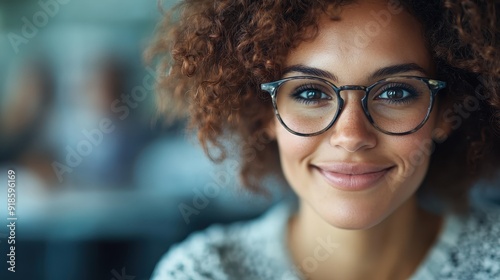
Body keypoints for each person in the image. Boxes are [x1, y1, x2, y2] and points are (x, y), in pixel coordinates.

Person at [146, 0, 500, 279]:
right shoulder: (204, 273)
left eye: (395, 92)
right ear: (265, 114)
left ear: (445, 111)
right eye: (311, 94)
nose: (351, 136)